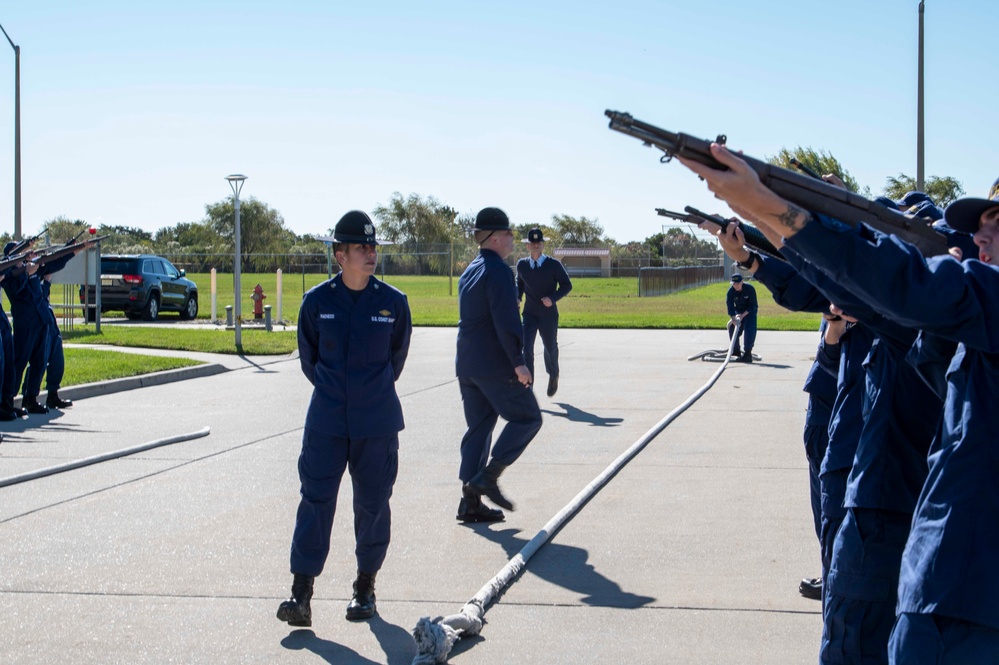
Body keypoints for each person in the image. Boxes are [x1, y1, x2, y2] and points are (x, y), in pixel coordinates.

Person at [680, 144, 999, 662]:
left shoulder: (961, 307)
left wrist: (777, 211)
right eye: (982, 223)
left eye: (998, 223)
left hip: (952, 584)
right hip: (932, 570)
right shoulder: (959, 324)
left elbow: (888, 283)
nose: (984, 236)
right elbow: (841, 288)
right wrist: (763, 233)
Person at [277, 210, 412, 628]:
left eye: (373, 247)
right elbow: (310, 359)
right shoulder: (317, 303)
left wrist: (367, 395)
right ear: (340, 254)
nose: (370, 254)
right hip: (327, 423)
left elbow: (396, 359)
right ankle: (301, 595)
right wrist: (340, 394)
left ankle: (364, 589)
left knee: (372, 505)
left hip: (377, 425)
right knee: (315, 503)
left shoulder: (393, 304)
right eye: (361, 248)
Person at [454, 207, 543, 523]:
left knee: (479, 428)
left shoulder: (470, 271)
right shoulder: (500, 272)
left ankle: (470, 502)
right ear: (493, 238)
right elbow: (507, 320)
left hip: (467, 365)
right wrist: (518, 363)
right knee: (529, 418)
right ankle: (489, 476)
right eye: (507, 233)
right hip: (493, 364)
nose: (512, 238)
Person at [516, 227, 572, 397]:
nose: (535, 246)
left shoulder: (553, 265)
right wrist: (518, 297)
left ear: (542, 245)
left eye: (538, 243)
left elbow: (567, 285)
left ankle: (554, 374)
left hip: (548, 315)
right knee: (527, 349)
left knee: (550, 347)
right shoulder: (522, 265)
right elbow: (520, 284)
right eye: (532, 243)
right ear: (528, 246)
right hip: (529, 314)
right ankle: (529, 387)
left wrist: (553, 298)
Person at [725, 273, 758, 362]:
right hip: (738, 313)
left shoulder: (750, 289)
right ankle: (736, 351)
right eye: (734, 283)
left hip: (749, 313)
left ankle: (748, 353)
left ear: (742, 282)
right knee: (732, 328)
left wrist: (743, 315)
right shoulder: (730, 292)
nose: (736, 285)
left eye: (738, 283)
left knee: (749, 330)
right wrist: (733, 317)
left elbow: (753, 306)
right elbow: (730, 306)